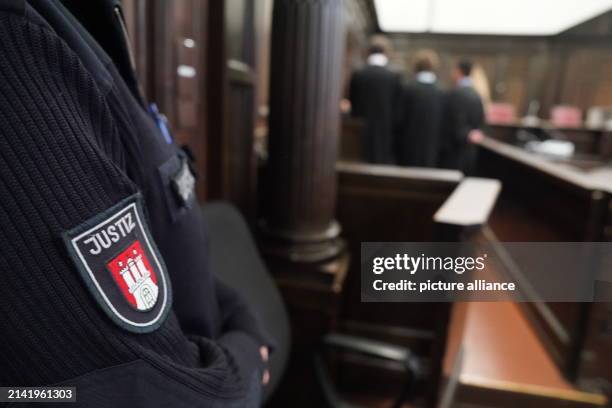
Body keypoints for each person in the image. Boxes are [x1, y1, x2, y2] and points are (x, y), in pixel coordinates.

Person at [0, 0, 272, 406]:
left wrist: (240, 314)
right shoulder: (17, 45)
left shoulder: (82, 22)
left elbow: (161, 249)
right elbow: (142, 393)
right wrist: (251, 359)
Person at [349, 36, 402, 164]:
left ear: (368, 51)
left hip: (360, 137)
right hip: (384, 137)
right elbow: (397, 111)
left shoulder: (358, 75)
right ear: (386, 52)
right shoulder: (394, 77)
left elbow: (353, 104)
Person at [396, 49, 444, 167]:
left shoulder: (407, 89)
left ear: (416, 66)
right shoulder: (440, 92)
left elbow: (399, 118)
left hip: (408, 145)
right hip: (431, 149)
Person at [440, 59, 485, 174]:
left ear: (458, 71)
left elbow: (451, 123)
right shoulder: (477, 95)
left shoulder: (454, 94)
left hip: (453, 151)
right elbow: (480, 122)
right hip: (469, 152)